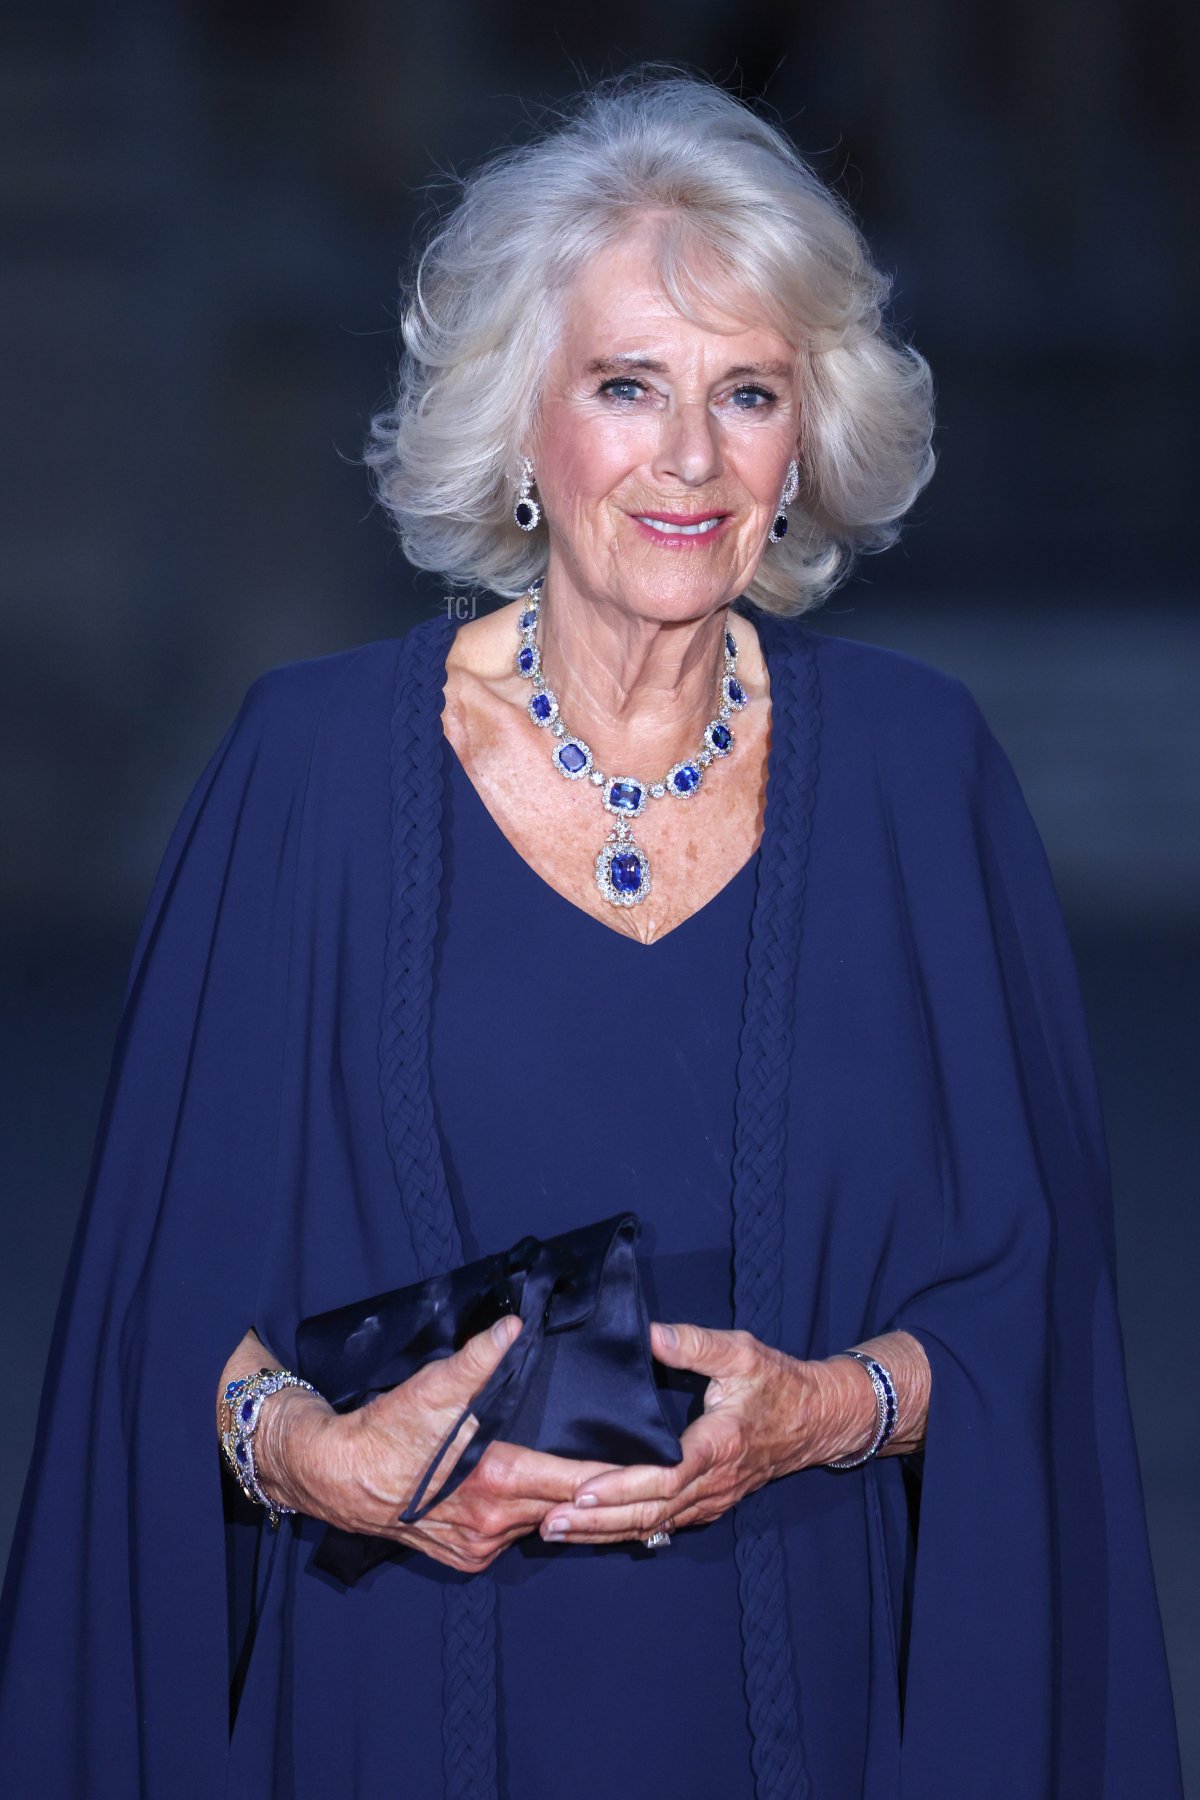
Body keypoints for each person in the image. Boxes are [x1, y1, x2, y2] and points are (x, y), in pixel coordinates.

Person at [0, 72, 1184, 1800]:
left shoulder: (924, 779)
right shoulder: (304, 773)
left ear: (803, 444)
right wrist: (314, 1457)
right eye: (628, 385)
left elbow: (1034, 1307)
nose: (691, 457)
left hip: (805, 1694)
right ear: (519, 426)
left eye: (747, 392)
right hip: (395, 1694)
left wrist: (823, 1410)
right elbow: (158, 1308)